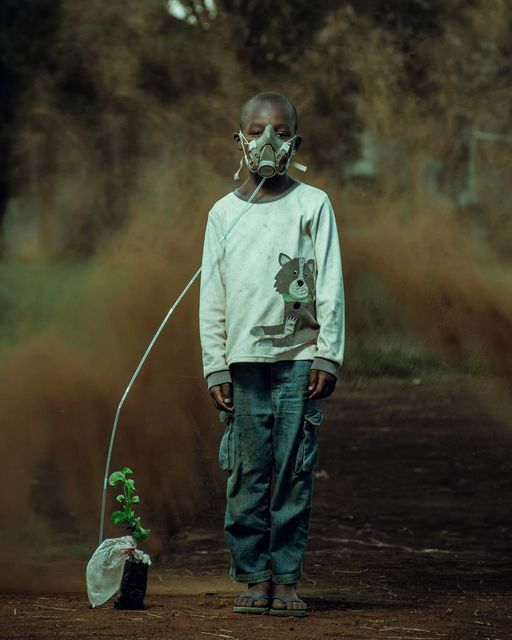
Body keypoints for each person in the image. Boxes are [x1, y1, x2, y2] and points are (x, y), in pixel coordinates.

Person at [199, 91, 345, 617]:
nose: (268, 142)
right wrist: (215, 362)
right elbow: (211, 296)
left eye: (281, 133)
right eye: (258, 131)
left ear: (295, 143)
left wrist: (326, 354)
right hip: (242, 367)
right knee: (247, 472)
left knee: (292, 472)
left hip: (297, 362)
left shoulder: (313, 205)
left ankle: (286, 577)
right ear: (239, 140)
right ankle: (254, 576)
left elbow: (328, 282)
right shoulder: (222, 215)